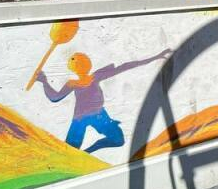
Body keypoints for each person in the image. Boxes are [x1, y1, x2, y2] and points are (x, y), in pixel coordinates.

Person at [35, 48, 171, 154]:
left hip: (97, 116)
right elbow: (55, 98)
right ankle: (85, 153)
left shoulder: (92, 77)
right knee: (71, 149)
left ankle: (88, 151)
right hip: (84, 118)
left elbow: (125, 66)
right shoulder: (78, 82)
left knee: (117, 140)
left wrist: (155, 57)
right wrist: (44, 81)